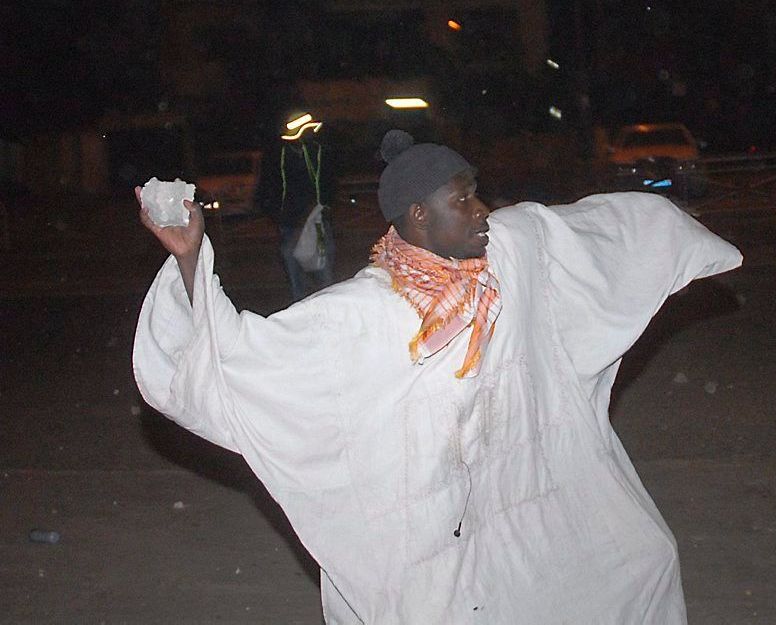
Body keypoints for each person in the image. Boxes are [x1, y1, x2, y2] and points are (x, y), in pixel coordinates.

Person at [133, 129, 742, 623]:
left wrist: (670, 234)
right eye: (464, 200)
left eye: (477, 193)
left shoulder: (507, 256)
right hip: (429, 533)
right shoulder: (368, 312)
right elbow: (241, 363)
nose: (483, 212)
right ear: (418, 216)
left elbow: (587, 233)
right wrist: (190, 258)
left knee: (638, 561)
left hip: (526, 495)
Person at [256, 110, 337, 300]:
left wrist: (326, 206)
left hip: (317, 219)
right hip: (290, 222)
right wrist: (275, 213)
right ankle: (300, 306)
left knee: (324, 270)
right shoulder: (277, 155)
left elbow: (329, 181)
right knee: (294, 269)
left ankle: (328, 305)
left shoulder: (316, 151)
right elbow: (268, 185)